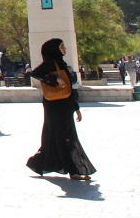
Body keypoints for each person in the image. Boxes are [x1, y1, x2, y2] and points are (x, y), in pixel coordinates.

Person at [24, 39, 96, 180]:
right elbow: (34, 73)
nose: (65, 49)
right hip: (54, 106)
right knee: (65, 137)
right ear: (54, 49)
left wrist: (76, 108)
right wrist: (53, 79)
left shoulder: (60, 63)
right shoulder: (51, 63)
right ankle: (74, 170)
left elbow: (69, 88)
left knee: (56, 137)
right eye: (61, 46)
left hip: (65, 105)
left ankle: (38, 162)